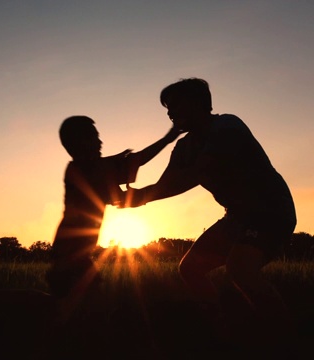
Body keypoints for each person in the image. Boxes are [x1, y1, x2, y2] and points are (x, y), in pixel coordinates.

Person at [122, 78, 297, 348]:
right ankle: (226, 334)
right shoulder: (183, 147)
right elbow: (165, 186)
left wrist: (139, 197)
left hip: (270, 209)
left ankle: (287, 342)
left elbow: (195, 174)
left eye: (174, 105)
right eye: (167, 108)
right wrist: (129, 199)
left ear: (196, 103)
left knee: (240, 268)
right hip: (237, 216)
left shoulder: (228, 126)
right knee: (190, 268)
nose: (169, 113)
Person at [46, 115, 180, 301]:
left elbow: (130, 167)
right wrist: (168, 138)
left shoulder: (85, 168)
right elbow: (136, 161)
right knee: (83, 309)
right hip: (70, 257)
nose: (100, 141)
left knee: (78, 307)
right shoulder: (85, 170)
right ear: (79, 143)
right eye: (94, 137)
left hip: (72, 256)